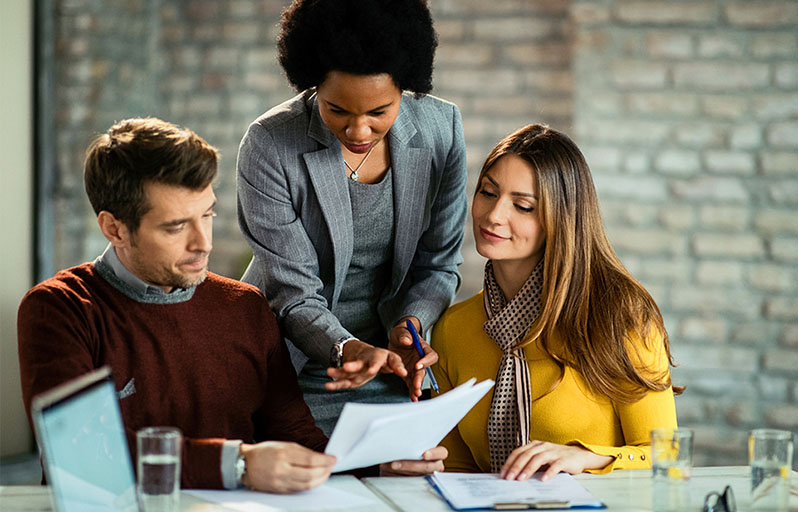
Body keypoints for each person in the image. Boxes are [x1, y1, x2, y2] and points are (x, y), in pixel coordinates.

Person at [18, 118, 444, 494]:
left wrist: (380, 465)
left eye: (207, 216)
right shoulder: (60, 309)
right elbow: (81, 453)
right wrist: (240, 464)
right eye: (175, 226)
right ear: (113, 228)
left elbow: (294, 437)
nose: (203, 243)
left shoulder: (244, 306)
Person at [236, 0, 467, 435]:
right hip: (288, 364)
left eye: (379, 112)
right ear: (311, 85)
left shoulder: (442, 129)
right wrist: (345, 348)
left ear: (406, 88)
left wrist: (411, 324)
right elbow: (294, 294)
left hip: (391, 366)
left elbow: (438, 263)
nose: (358, 131)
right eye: (337, 110)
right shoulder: (269, 145)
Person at [431, 124, 681, 481]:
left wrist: (586, 457)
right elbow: (457, 471)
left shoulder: (619, 314)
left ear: (560, 219)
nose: (494, 215)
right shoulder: (452, 329)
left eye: (522, 206)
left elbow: (665, 454)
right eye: (488, 192)